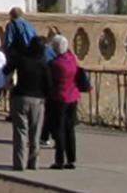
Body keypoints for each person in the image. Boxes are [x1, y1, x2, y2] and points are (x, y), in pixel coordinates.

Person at [9, 36, 51, 170]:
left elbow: (7, 69)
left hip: (20, 97)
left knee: (20, 132)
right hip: (37, 100)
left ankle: (19, 163)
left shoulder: (22, 60)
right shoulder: (44, 64)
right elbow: (49, 84)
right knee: (35, 133)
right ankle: (33, 162)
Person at [47, 34, 81, 170]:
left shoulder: (55, 64)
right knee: (69, 129)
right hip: (73, 97)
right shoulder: (72, 60)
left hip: (59, 99)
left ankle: (59, 160)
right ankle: (71, 158)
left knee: (59, 130)